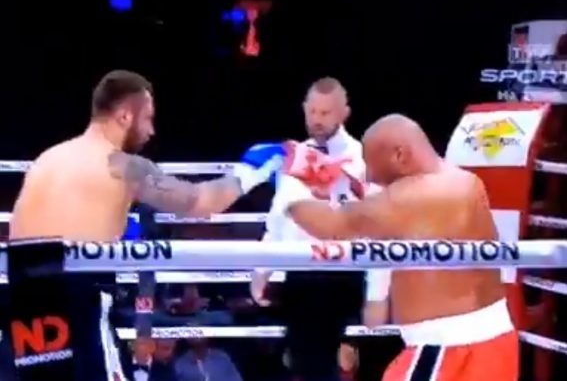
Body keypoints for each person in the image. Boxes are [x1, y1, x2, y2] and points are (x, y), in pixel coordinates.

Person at [6, 70, 284, 380]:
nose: (151, 131)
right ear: (126, 115)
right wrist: (254, 170)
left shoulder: (48, 159)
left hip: (22, 301)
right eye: (147, 118)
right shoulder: (120, 164)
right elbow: (198, 203)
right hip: (75, 296)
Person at [277, 114, 518, 380]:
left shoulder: (410, 197)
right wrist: (335, 187)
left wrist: (291, 185)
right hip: (491, 339)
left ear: (400, 155)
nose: (370, 175)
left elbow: (331, 226)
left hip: (449, 348)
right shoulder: (465, 181)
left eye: (373, 164)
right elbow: (382, 215)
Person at [250, 77, 369, 381]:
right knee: (302, 366)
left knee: (343, 366)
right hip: (301, 274)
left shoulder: (361, 158)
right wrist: (261, 271)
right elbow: (278, 218)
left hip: (345, 274)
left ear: (344, 113)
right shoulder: (295, 156)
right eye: (312, 111)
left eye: (325, 113)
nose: (317, 119)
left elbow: (371, 220)